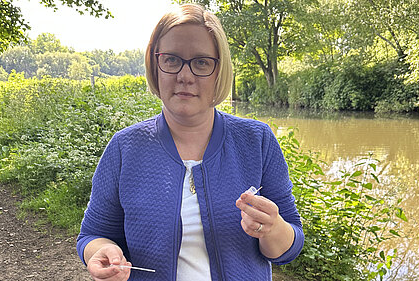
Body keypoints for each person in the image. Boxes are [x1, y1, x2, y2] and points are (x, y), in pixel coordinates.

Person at [76, 3, 304, 281]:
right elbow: (93, 234)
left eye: (201, 62)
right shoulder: (125, 148)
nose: (185, 76)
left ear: (220, 71)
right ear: (155, 64)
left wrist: (272, 228)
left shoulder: (256, 141)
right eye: (172, 59)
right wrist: (104, 251)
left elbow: (289, 247)